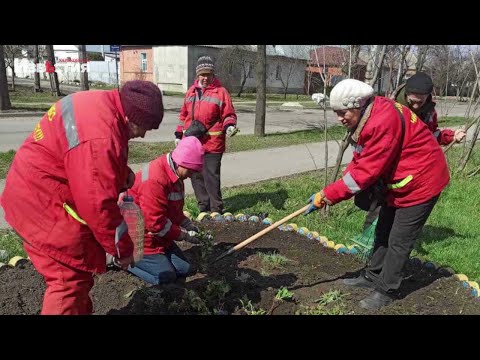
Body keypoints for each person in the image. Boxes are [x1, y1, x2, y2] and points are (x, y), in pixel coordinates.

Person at [0, 80, 164, 315]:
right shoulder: (101, 136)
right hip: (41, 203)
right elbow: (99, 207)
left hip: (35, 187)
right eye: (145, 128)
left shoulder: (103, 103)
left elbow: (87, 161)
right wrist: (124, 250)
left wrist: (120, 174)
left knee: (78, 281)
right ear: (132, 118)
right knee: (68, 282)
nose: (144, 136)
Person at [304, 79, 450, 310]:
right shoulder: (370, 114)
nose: (339, 118)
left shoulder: (381, 121)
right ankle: (371, 276)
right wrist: (328, 192)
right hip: (400, 182)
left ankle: (387, 289)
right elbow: (361, 159)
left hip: (422, 182)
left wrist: (328, 195)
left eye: (343, 113)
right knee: (383, 229)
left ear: (358, 106)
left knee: (399, 240)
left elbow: (365, 173)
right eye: (336, 113)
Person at [363, 72, 466, 229]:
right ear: (407, 94)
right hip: (388, 159)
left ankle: (393, 233)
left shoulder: (429, 112)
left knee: (399, 203)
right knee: (380, 198)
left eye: (421, 101)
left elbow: (431, 135)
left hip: (411, 167)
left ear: (428, 96)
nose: (417, 105)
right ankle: (370, 233)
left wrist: (451, 136)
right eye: (413, 101)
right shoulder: (391, 107)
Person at [125, 137, 205, 285]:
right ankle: (123, 261)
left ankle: (157, 257)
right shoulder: (155, 180)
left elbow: (173, 211)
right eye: (191, 171)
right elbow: (154, 223)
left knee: (184, 269)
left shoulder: (175, 174)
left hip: (158, 238)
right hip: (138, 239)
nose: (191, 176)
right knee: (166, 277)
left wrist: (187, 224)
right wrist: (183, 235)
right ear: (183, 163)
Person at [175, 55, 238, 214]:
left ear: (212, 75)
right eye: (202, 74)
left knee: (211, 177)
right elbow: (183, 117)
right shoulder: (190, 93)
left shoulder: (221, 92)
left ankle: (216, 209)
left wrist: (229, 126)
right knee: (195, 176)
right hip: (193, 143)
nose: (205, 77)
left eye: (208, 74)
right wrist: (178, 134)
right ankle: (203, 207)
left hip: (213, 143)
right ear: (197, 75)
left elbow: (228, 114)